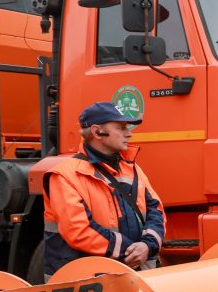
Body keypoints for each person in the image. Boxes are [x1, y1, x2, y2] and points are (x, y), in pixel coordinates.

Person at [43, 102, 166, 280]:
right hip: (83, 288)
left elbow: (156, 210)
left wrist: (147, 246)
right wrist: (131, 251)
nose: (129, 133)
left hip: (130, 278)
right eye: (121, 127)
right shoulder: (64, 175)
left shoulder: (132, 168)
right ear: (96, 131)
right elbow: (78, 231)